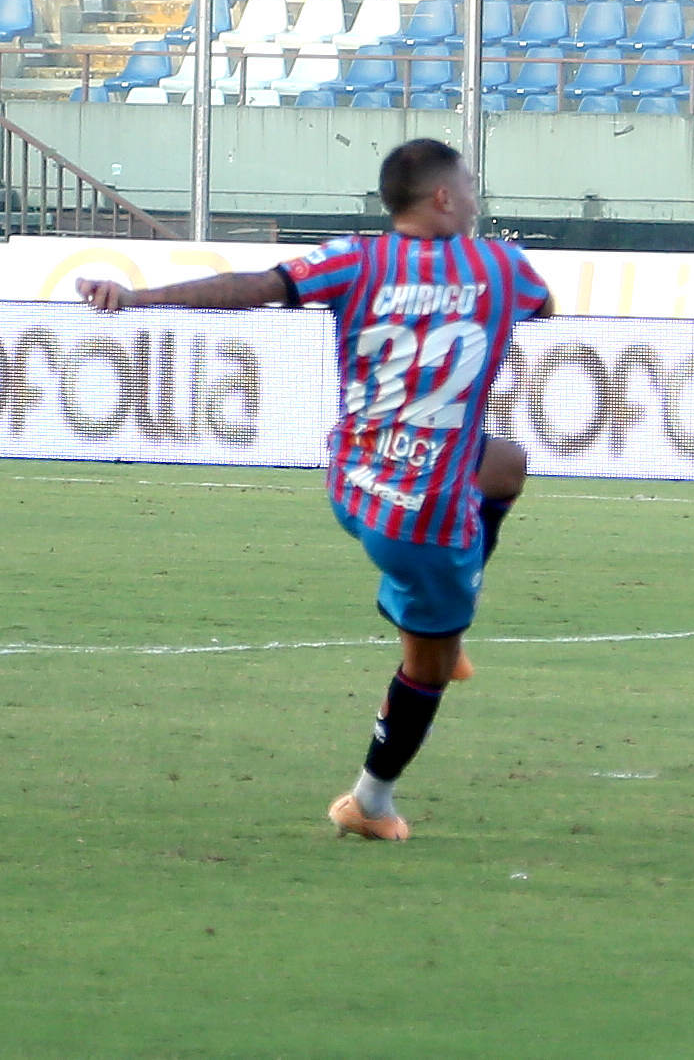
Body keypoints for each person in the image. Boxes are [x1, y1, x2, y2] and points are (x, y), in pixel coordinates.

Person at [77, 139, 555, 842]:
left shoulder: (354, 257)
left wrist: (140, 296)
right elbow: (543, 308)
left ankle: (440, 629)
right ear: (444, 198)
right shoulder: (502, 266)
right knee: (425, 663)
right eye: (471, 186)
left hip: (354, 479)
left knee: (505, 463)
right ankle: (370, 800)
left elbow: (250, 287)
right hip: (426, 518)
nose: (478, 198)